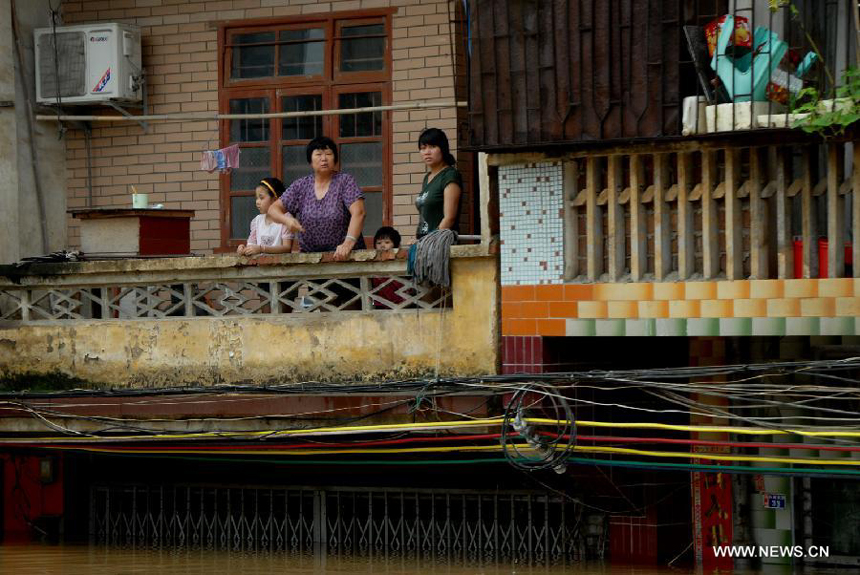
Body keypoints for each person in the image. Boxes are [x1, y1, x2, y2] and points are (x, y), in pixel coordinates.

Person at [268, 136, 366, 261]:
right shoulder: (301, 185)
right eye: (318, 154)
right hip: (310, 260)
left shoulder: (345, 181)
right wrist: (287, 221)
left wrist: (348, 243)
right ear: (310, 160)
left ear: (335, 158)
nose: (324, 158)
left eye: (328, 154)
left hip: (344, 258)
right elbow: (273, 209)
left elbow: (359, 213)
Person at [415, 128, 463, 239]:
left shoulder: (449, 175)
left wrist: (429, 241)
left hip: (440, 244)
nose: (427, 152)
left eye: (432, 147)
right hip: (424, 243)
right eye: (423, 148)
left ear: (443, 148)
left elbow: (449, 218)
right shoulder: (427, 178)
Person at [236, 177, 294, 256]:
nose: (257, 202)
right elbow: (251, 246)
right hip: (260, 268)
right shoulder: (257, 221)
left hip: (280, 267)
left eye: (261, 198)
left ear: (275, 200)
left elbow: (287, 248)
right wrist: (243, 249)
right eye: (256, 198)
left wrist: (261, 249)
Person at [371, 226, 408, 309]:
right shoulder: (372, 262)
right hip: (380, 304)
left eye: (387, 242)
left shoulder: (401, 259)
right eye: (379, 243)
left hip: (403, 303)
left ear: (396, 245)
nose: (382, 246)